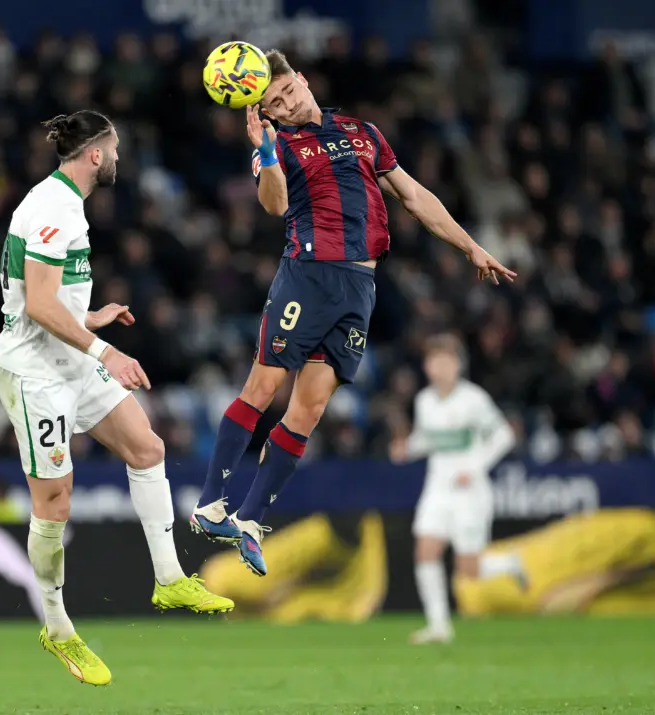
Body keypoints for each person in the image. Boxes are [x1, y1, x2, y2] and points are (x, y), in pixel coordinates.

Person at [191, 49, 516, 577]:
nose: (288, 105)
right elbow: (273, 206)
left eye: (289, 91)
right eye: (274, 103)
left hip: (359, 287)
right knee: (264, 385)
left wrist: (470, 246)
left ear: (300, 75)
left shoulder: (361, 131)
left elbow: (413, 195)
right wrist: (267, 154)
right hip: (308, 273)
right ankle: (210, 503)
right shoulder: (277, 143)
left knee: (311, 408)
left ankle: (249, 519)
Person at [0, 110, 233, 687]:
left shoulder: (64, 204)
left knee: (147, 448)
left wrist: (90, 317)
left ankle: (170, 577)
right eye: (116, 148)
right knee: (55, 503)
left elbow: (49, 299)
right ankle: (57, 627)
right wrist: (106, 350)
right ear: (95, 154)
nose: (120, 157)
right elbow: (40, 308)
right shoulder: (52, 207)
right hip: (35, 373)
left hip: (67, 358)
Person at [391, 334, 517, 644]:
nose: (439, 368)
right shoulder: (424, 401)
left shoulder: (473, 399)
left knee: (468, 569)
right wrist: (407, 449)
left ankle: (511, 563)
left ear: (458, 365)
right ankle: (439, 627)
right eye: (434, 361)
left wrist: (473, 468)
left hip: (469, 492)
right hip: (437, 488)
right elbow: (426, 441)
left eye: (446, 361)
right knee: (425, 551)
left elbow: (504, 436)